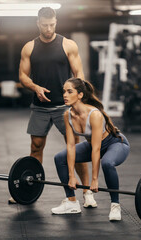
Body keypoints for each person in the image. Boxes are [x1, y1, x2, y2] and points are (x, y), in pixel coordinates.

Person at [16, 7, 96, 208]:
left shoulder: (68, 45)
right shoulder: (29, 48)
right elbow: (23, 76)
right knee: (36, 147)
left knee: (75, 149)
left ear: (56, 22)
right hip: (40, 107)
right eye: (45, 25)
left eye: (52, 24)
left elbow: (79, 73)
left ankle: (87, 192)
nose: (49, 29)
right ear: (38, 23)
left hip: (65, 108)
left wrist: (78, 100)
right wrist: (35, 87)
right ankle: (31, 190)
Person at [52, 78, 130, 221]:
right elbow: (70, 146)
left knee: (107, 163)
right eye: (64, 91)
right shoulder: (67, 115)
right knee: (59, 158)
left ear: (80, 95)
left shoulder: (94, 114)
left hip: (115, 143)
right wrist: (71, 176)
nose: (65, 95)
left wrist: (94, 180)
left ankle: (115, 205)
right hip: (93, 145)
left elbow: (96, 148)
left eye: (70, 92)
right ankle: (71, 202)